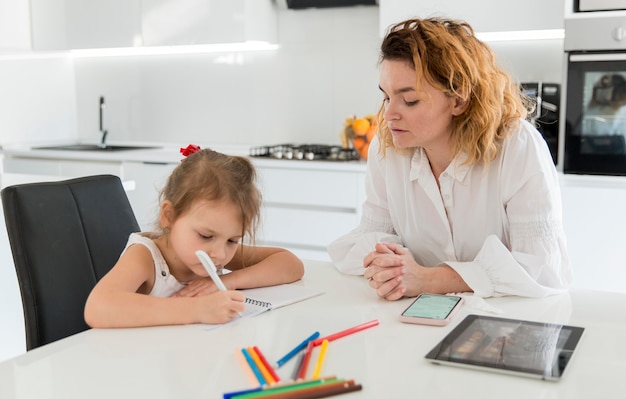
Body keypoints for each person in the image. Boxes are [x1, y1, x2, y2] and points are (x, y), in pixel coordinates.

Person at [328, 17, 573, 300]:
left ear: (458, 100)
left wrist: (427, 278)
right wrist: (390, 263)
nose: (388, 114)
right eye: (386, 97)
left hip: (506, 320)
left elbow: (542, 269)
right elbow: (372, 235)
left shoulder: (516, 146)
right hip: (416, 316)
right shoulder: (387, 150)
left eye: (409, 100)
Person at [84, 146, 304, 327]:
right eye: (205, 235)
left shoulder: (212, 254)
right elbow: (97, 308)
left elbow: (291, 264)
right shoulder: (145, 256)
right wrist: (198, 310)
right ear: (169, 216)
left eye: (232, 240)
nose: (220, 254)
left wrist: (228, 281)